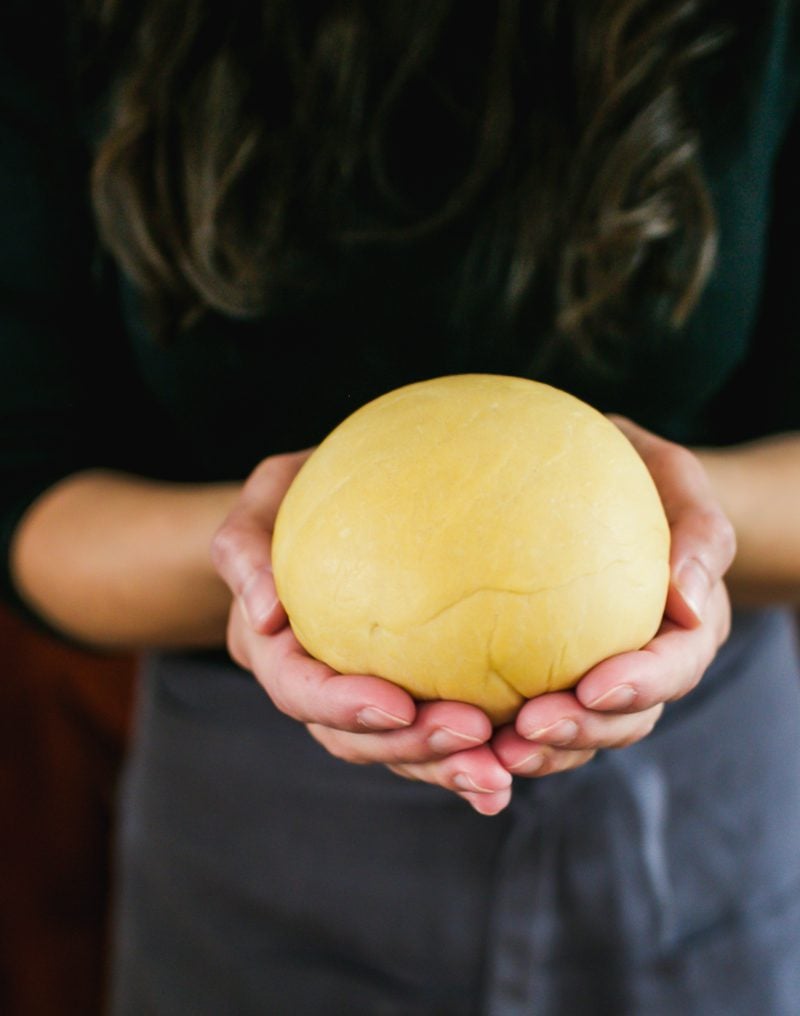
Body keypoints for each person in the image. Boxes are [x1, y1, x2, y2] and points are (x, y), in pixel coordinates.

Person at [1, 1, 798, 1013]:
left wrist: (683, 530)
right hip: (254, 828)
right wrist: (254, 571)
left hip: (693, 814)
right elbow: (29, 491)